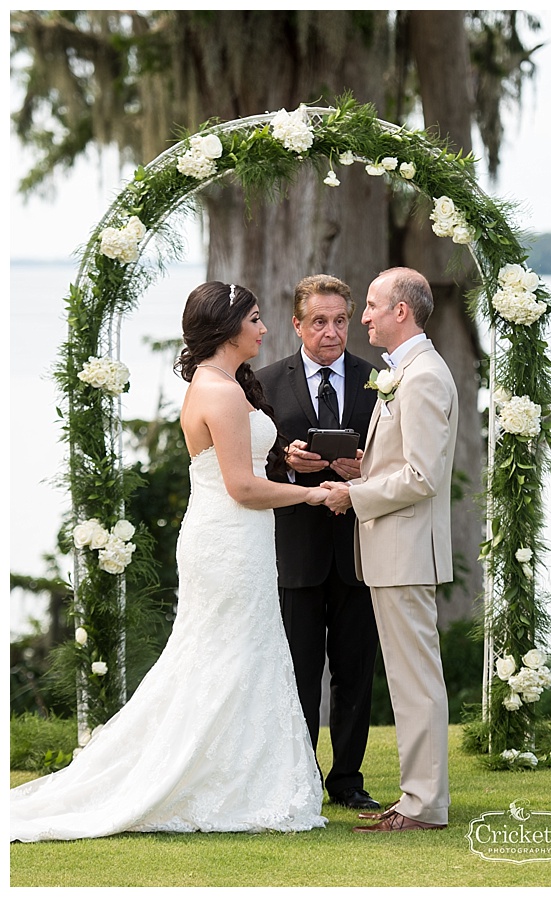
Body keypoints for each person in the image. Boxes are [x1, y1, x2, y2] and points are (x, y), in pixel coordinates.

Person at [10, 281, 329, 842]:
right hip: (229, 537)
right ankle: (209, 780)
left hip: (237, 538)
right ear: (229, 329)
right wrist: (313, 494)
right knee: (225, 654)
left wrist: (288, 462)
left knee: (238, 654)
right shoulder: (221, 392)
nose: (263, 328)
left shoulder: (222, 384)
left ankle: (239, 776)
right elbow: (242, 488)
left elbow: (247, 467)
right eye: (255, 319)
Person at [322, 267, 457, 833]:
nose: (366, 316)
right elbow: (403, 464)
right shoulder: (403, 372)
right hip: (392, 550)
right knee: (407, 680)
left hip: (404, 552)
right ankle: (417, 798)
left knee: (414, 681)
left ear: (402, 311)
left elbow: (423, 477)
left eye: (374, 305)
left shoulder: (422, 376)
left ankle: (423, 806)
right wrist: (363, 469)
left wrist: (354, 494)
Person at [256, 274, 381, 812]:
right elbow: (245, 461)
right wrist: (286, 461)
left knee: (354, 671)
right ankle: (300, 777)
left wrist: (364, 470)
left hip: (360, 548)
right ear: (297, 325)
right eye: (319, 322)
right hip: (297, 550)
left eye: (340, 321)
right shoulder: (263, 383)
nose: (331, 332)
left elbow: (395, 461)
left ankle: (348, 780)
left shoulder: (376, 381)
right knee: (300, 671)